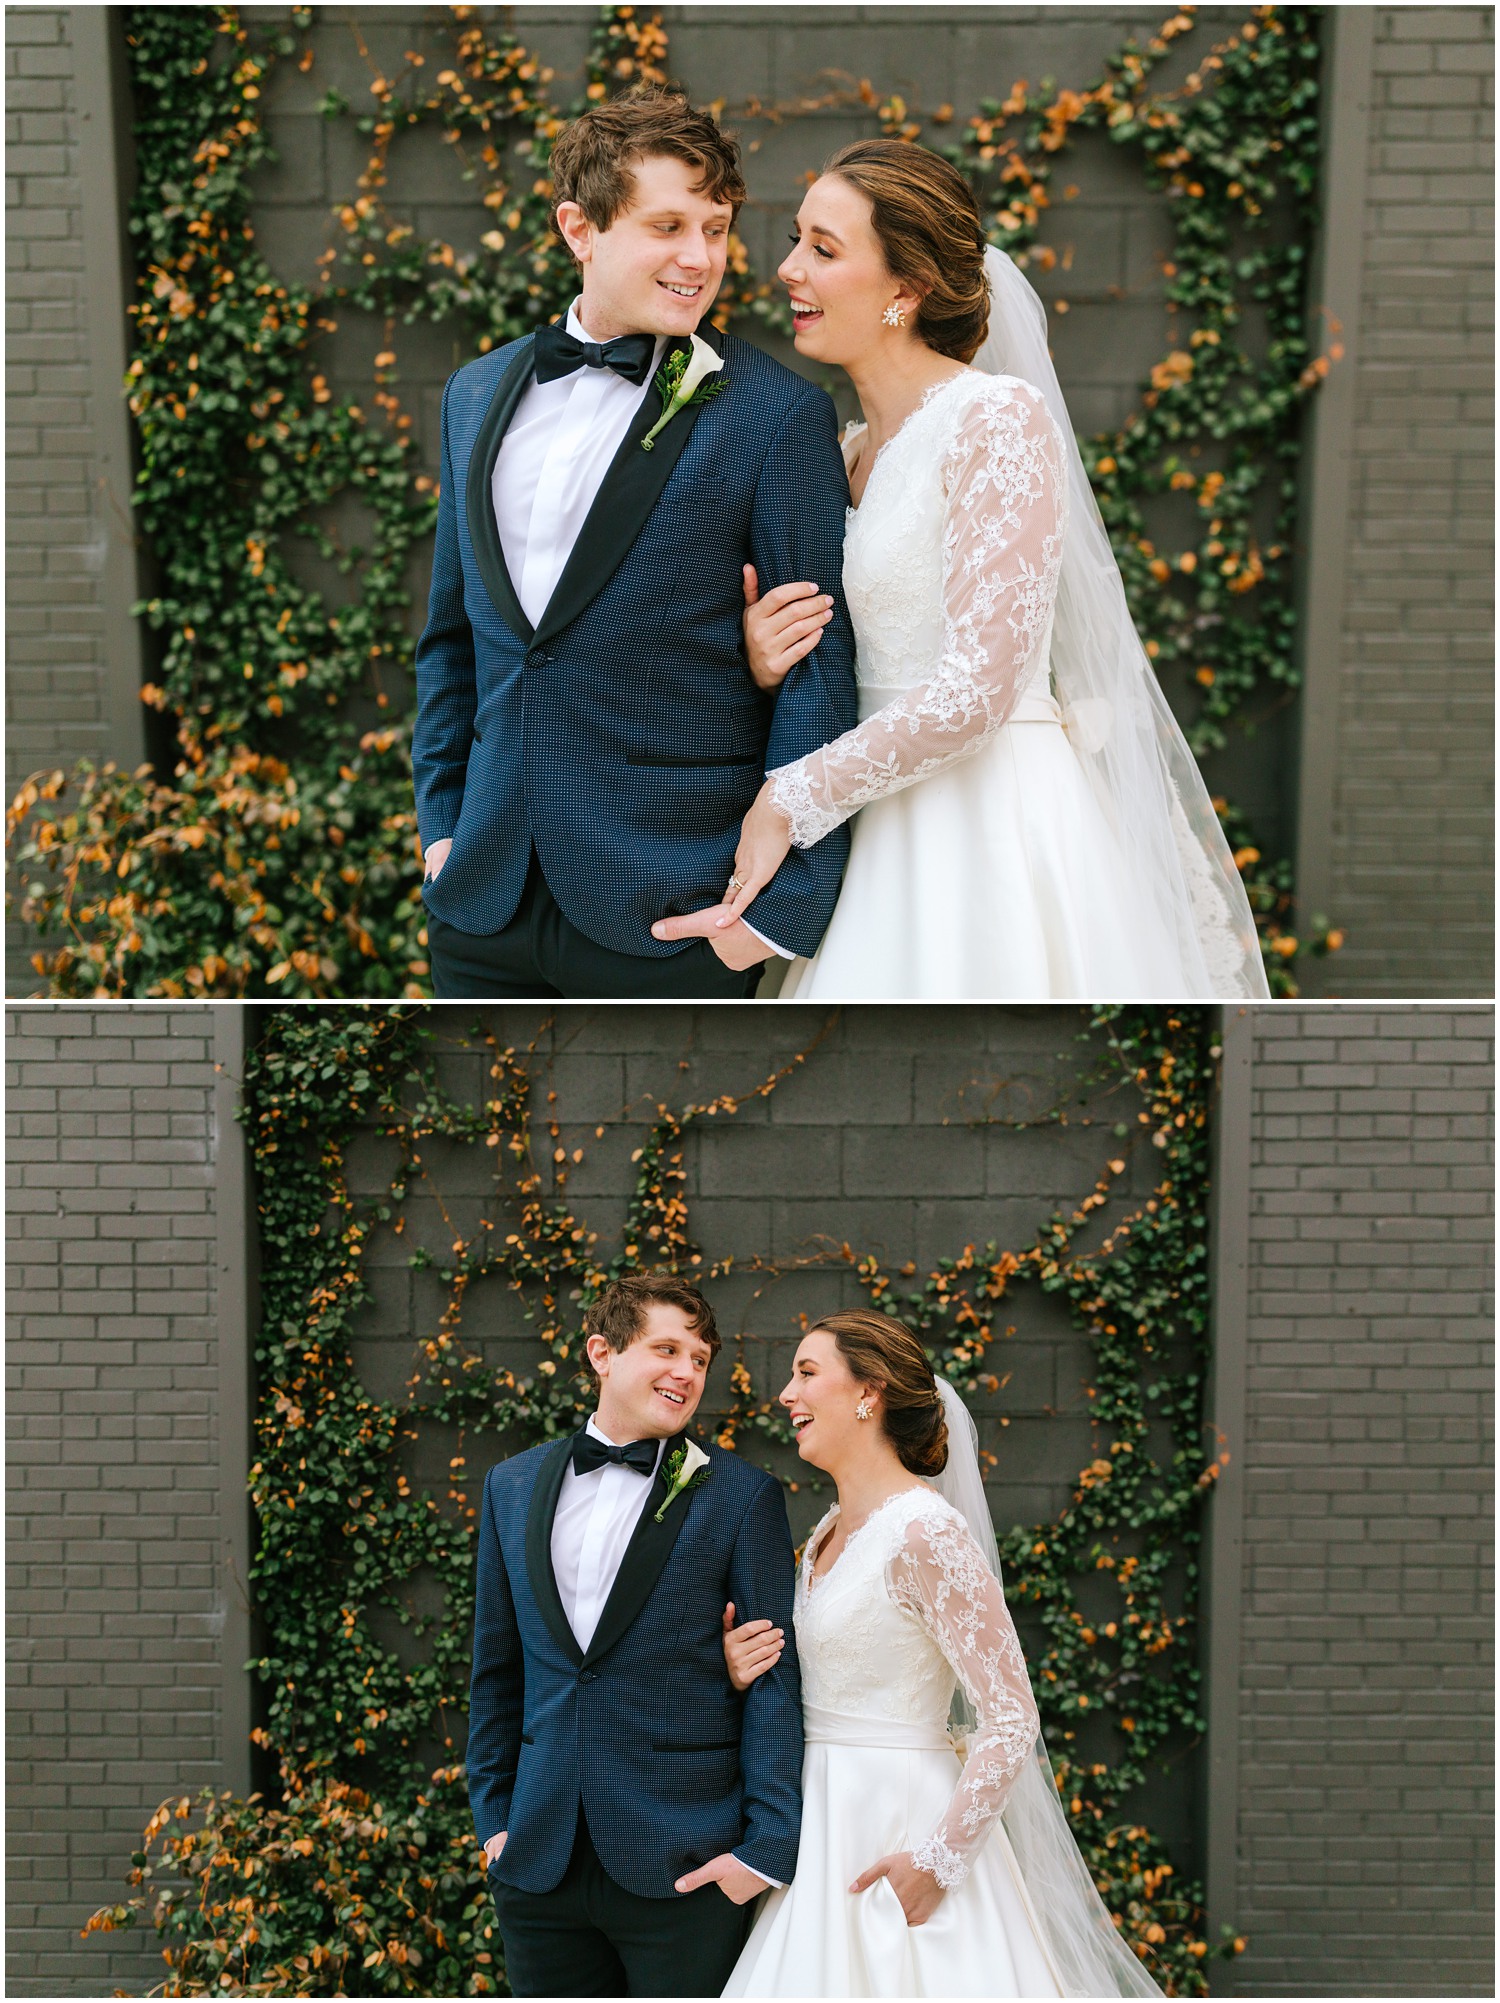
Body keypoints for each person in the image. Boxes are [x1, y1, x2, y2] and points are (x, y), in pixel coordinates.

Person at [653, 140, 1270, 1001]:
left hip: (982, 829)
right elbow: (838, 658)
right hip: (862, 836)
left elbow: (981, 687)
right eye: (798, 240)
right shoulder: (838, 451)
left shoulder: (996, 421)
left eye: (825, 250)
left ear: (905, 289)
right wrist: (765, 658)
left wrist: (789, 799)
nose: (788, 269)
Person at [413, 86, 857, 999]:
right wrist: (441, 832)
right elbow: (453, 640)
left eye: (718, 229)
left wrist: (773, 923)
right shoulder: (474, 394)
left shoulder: (777, 417)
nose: (700, 259)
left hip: (671, 909)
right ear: (580, 228)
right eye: (667, 226)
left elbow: (818, 669)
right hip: (480, 905)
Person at [720, 1310, 1165, 1998]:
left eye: (807, 1372)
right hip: (817, 1824)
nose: (786, 1393)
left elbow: (1011, 1716)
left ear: (869, 1391)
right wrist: (742, 1661)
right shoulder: (826, 1532)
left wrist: (938, 1860)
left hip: (898, 1824)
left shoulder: (927, 1533)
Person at [466, 1273, 803, 1996]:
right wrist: (494, 1821)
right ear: (602, 1352)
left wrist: (763, 1850)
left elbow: (775, 1678)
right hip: (537, 1861)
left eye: (701, 1358)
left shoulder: (743, 1497)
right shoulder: (511, 1486)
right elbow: (497, 1667)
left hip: (685, 1863)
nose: (687, 1371)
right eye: (667, 1348)